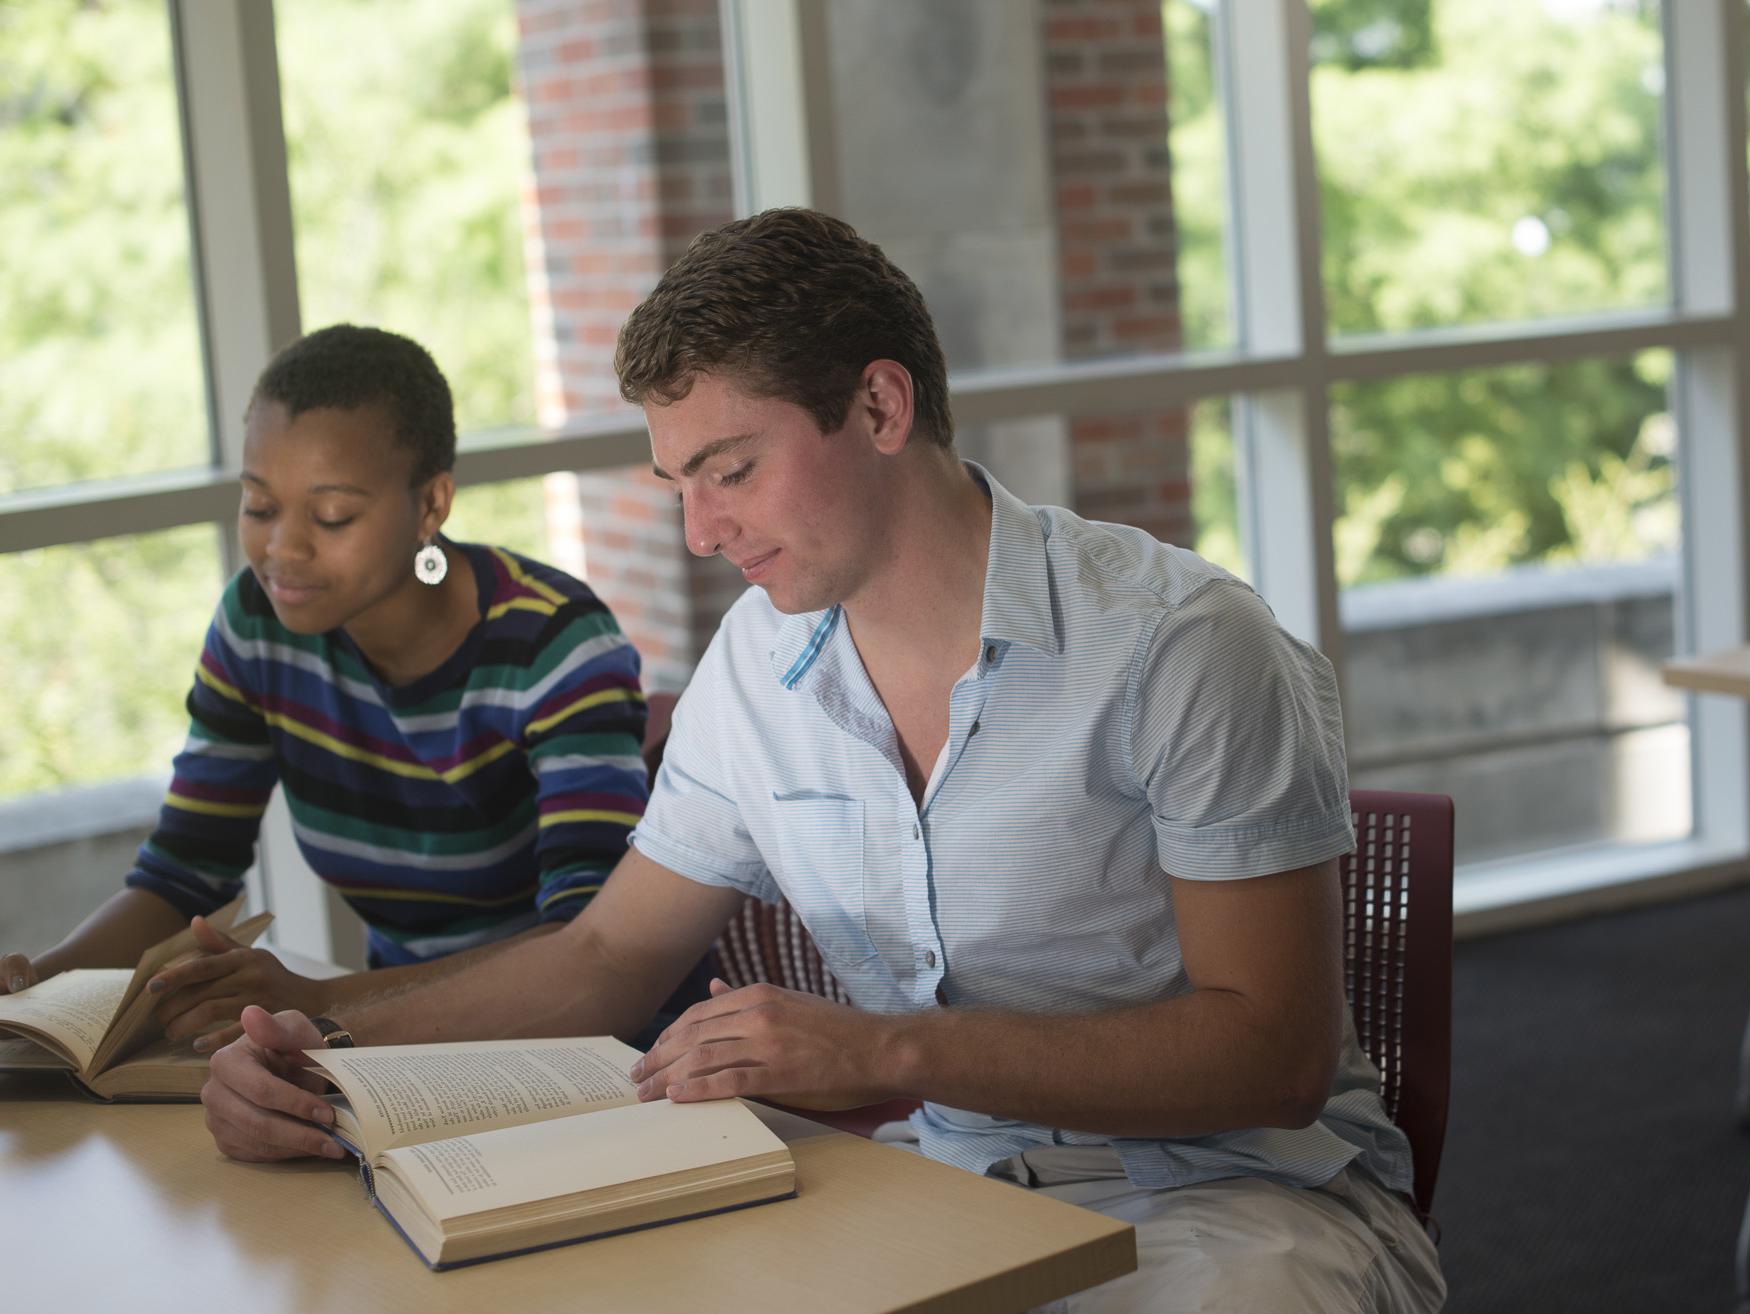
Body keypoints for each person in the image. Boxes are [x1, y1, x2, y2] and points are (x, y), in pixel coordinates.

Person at [198, 214, 1445, 1311]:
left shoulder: (1179, 647)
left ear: (881, 409)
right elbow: (602, 956)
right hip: (936, 1186)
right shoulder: (757, 666)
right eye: (679, 483)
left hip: (1230, 1204)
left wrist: (886, 1050)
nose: (700, 532)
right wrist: (323, 1044)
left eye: (731, 470)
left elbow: (1269, 1058)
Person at [2, 325, 710, 1048]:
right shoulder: (257, 626)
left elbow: (586, 940)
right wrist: (35, 988)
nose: (283, 549)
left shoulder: (553, 644)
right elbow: (184, 870)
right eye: (259, 506)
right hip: (383, 1043)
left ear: (431, 505)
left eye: (332, 515)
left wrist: (321, 1002)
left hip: (603, 1045)